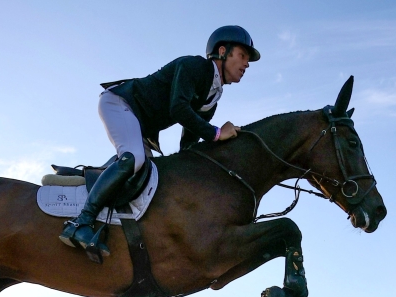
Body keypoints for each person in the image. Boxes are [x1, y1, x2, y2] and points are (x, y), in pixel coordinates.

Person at [59, 27, 258, 260]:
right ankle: (80, 222)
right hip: (120, 103)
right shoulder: (195, 66)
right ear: (222, 52)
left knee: (148, 185)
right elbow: (179, 109)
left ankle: (91, 188)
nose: (247, 64)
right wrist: (216, 133)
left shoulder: (213, 96)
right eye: (242, 56)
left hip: (139, 125)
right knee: (134, 158)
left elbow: (189, 140)